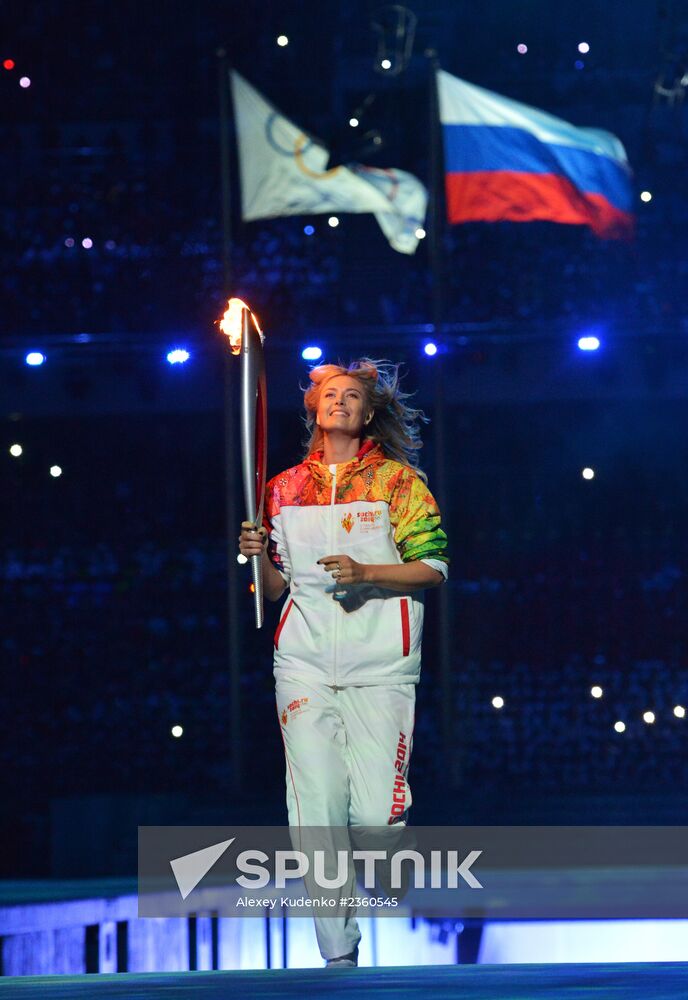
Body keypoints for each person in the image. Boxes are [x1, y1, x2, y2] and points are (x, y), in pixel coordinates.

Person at [239, 358, 448, 967]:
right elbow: (275, 590)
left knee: (374, 818)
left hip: (380, 665)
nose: (341, 401)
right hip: (302, 663)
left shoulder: (398, 483)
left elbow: (434, 567)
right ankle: (338, 953)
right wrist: (257, 556)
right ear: (314, 408)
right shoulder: (282, 489)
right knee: (316, 808)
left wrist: (366, 573)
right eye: (331, 393)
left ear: (368, 412)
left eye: (353, 395)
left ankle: (388, 849)